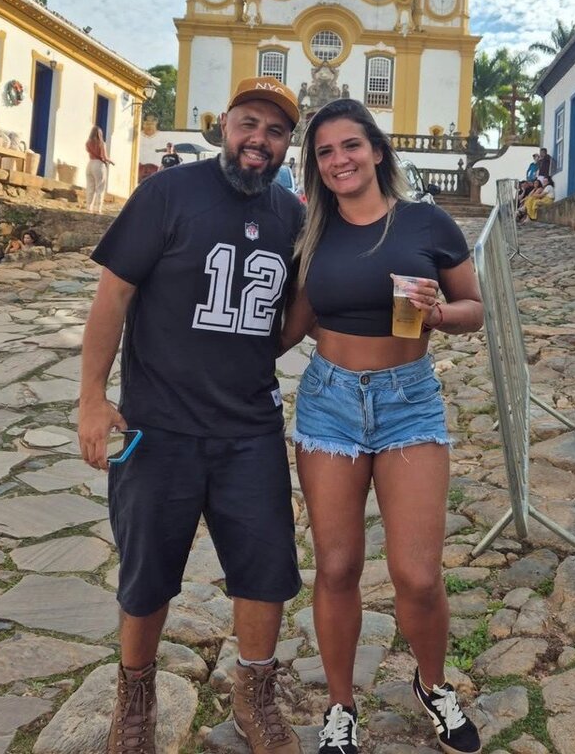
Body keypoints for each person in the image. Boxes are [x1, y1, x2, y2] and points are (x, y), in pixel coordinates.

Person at [78, 77, 305, 754]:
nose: (259, 140)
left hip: (249, 428)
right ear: (223, 125)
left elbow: (297, 309)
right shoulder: (168, 194)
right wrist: (92, 399)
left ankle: (254, 698)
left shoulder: (291, 216)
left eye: (275, 131)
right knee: (146, 573)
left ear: (286, 144)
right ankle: (134, 701)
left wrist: (256, 346)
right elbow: (113, 295)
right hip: (159, 425)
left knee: (265, 568)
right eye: (248, 123)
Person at [282, 99, 484, 754]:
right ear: (315, 166)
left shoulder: (426, 221)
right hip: (329, 402)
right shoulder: (312, 233)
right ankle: (340, 707)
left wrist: (438, 314)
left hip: (409, 401)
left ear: (375, 150)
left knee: (417, 576)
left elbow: (473, 307)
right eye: (324, 152)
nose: (338, 160)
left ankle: (433, 684)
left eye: (350, 146)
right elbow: (292, 326)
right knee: (337, 566)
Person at [86, 125, 114, 214]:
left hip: (90, 164)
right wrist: (111, 162)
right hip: (99, 165)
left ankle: (89, 207)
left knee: (90, 187)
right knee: (100, 188)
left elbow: (89, 152)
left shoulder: (88, 143)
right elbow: (104, 157)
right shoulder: (101, 143)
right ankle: (98, 209)